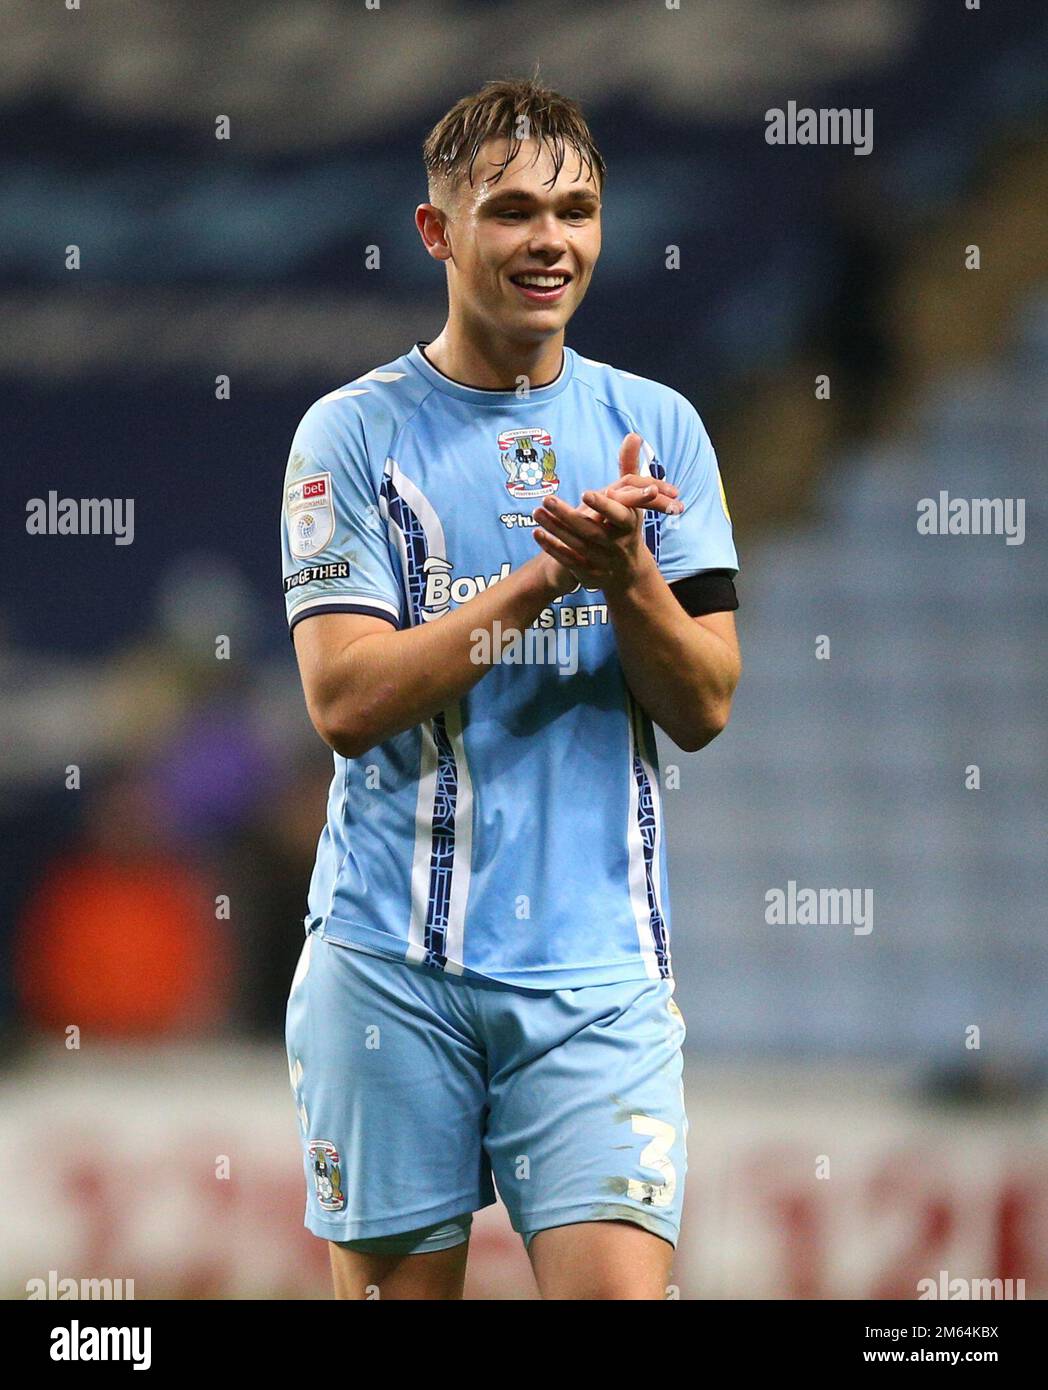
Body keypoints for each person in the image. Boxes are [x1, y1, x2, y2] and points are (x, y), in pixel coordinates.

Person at [281, 77, 741, 1300]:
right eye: (515, 210)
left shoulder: (659, 430)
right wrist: (541, 582)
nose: (552, 240)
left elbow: (703, 704)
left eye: (579, 210)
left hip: (598, 980)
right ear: (438, 232)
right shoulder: (351, 435)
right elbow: (345, 699)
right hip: (391, 966)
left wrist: (628, 576)